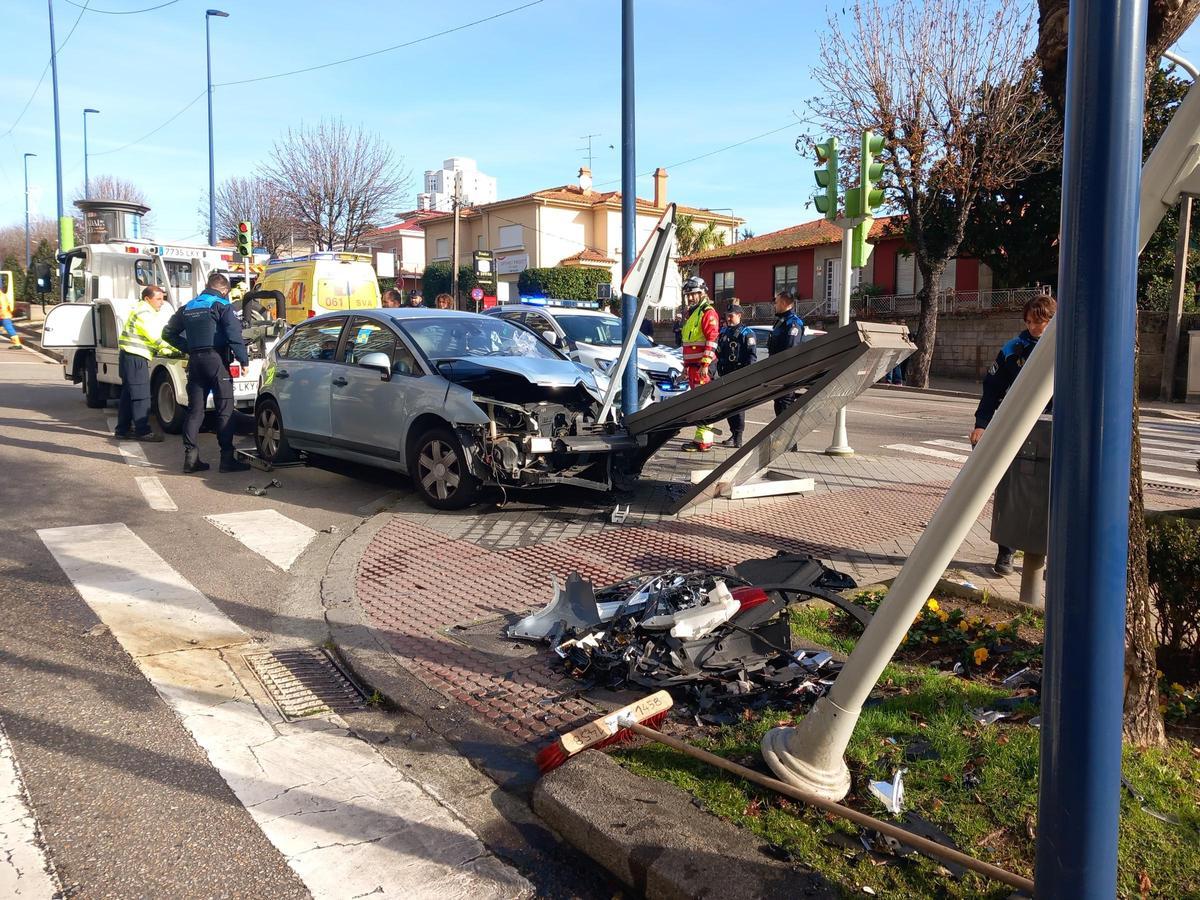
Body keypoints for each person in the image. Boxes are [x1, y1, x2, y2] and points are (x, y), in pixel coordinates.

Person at [970, 293, 1058, 575]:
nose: (1035, 328)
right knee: (1011, 490)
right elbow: (992, 389)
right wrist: (981, 424)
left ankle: (1048, 554)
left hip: (1055, 428)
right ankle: (1006, 553)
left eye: (1040, 322)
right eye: (1030, 322)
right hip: (1018, 426)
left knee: (1052, 495)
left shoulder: (1066, 347)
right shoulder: (1014, 349)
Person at [163, 272, 250, 474]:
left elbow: (167, 333)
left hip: (195, 361)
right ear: (224, 290)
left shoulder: (187, 307)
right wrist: (243, 360)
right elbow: (233, 335)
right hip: (217, 361)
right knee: (224, 410)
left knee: (195, 411)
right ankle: (227, 459)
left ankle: (191, 459)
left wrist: (189, 347)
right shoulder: (221, 305)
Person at [114, 285, 172, 442]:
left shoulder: (142, 310)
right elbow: (155, 337)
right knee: (142, 396)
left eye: (163, 298)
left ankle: (122, 429)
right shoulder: (144, 313)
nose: (162, 302)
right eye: (158, 299)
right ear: (148, 299)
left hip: (129, 356)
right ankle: (143, 431)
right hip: (135, 357)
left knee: (128, 394)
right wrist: (174, 349)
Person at [680, 276, 720, 451]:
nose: (690, 298)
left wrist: (705, 365)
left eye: (694, 294)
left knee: (704, 404)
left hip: (702, 367)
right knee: (699, 403)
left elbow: (712, 340)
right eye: (688, 295)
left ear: (703, 293)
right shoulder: (693, 313)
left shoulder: (707, 312)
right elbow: (689, 345)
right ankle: (700, 440)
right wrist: (685, 367)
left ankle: (704, 442)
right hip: (694, 367)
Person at [715, 301, 757, 448]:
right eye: (727, 315)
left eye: (731, 316)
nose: (728, 318)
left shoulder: (747, 333)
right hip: (725, 374)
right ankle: (733, 434)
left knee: (738, 406)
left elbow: (751, 357)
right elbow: (718, 352)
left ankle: (738, 437)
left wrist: (746, 376)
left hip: (738, 374)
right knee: (729, 407)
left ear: (739, 315)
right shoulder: (725, 331)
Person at [767, 290, 806, 418]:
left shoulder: (793, 323)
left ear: (784, 303)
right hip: (778, 372)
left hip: (786, 373)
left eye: (776, 302)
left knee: (784, 407)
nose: (775, 305)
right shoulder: (781, 321)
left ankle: (783, 438)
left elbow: (791, 349)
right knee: (778, 404)